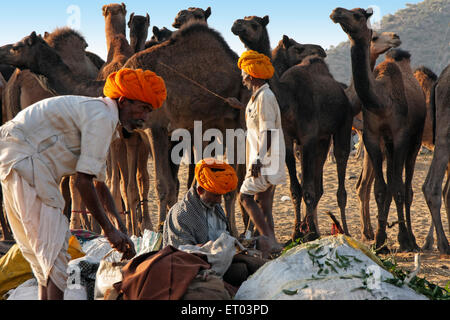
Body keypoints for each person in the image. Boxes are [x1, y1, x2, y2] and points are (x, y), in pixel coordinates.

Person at [0, 68, 167, 300]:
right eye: (143, 108)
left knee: (45, 259)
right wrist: (109, 231)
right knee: (55, 253)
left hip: (16, 158)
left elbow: (99, 184)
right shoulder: (103, 117)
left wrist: (120, 227)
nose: (145, 117)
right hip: (25, 160)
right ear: (123, 101)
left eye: (149, 111)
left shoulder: (99, 115)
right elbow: (83, 182)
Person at [226, 50, 286, 257]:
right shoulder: (259, 97)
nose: (242, 79)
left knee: (245, 197)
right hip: (263, 155)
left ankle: (268, 239)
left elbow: (268, 130)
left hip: (265, 157)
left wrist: (259, 159)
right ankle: (272, 242)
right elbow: (258, 119)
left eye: (243, 75)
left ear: (250, 76)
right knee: (264, 203)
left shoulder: (266, 97)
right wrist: (241, 106)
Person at [163, 158, 238, 248]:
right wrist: (209, 248)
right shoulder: (182, 214)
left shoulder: (216, 209)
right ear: (200, 190)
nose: (219, 201)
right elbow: (181, 251)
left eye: (221, 196)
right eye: (216, 195)